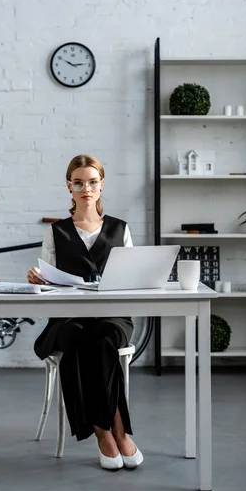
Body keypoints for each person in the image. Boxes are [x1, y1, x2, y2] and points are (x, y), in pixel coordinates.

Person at [27, 154, 144, 470]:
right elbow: (49, 282)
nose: (86, 188)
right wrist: (38, 278)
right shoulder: (57, 231)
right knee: (78, 337)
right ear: (69, 186)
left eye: (93, 182)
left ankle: (112, 431)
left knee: (104, 339)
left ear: (102, 184)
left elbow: (132, 280)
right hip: (69, 317)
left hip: (112, 316)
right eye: (79, 182)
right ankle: (108, 433)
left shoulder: (121, 229)